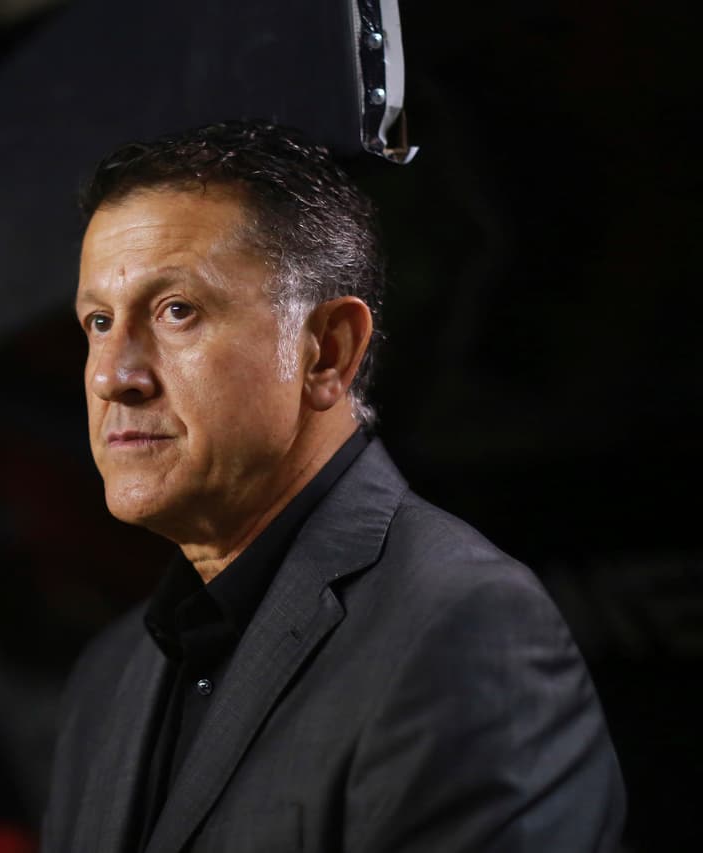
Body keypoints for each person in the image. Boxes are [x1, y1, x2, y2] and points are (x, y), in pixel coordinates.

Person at [42, 121, 625, 852]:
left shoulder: (465, 627)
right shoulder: (108, 678)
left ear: (328, 352)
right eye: (99, 321)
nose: (110, 375)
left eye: (176, 311)